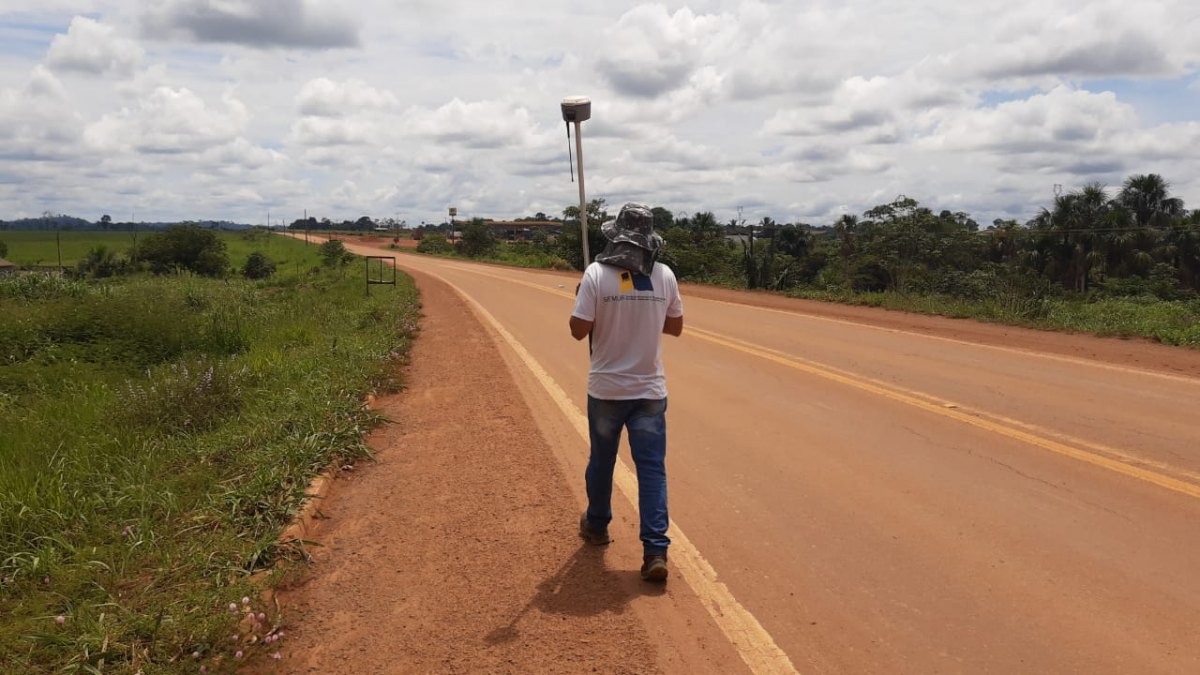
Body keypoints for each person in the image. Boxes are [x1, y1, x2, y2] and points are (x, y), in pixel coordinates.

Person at [569, 202, 683, 582]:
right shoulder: (664, 275)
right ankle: (655, 550)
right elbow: (675, 327)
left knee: (602, 461)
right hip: (649, 390)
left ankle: (598, 525)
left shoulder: (596, 274)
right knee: (652, 470)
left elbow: (578, 330)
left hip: (606, 390)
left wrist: (587, 301)